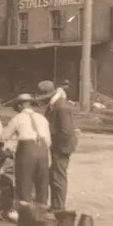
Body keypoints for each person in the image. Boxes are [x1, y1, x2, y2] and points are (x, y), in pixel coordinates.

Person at [1, 93, 51, 206]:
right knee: (42, 184)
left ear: (19, 106)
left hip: (27, 151)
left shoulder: (17, 118)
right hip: (43, 151)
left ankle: (25, 211)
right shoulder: (42, 118)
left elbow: (3, 137)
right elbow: (48, 141)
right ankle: (41, 212)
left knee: (24, 182)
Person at [38, 79, 79, 212]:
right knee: (54, 174)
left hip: (62, 146)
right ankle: (56, 205)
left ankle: (59, 207)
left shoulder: (60, 106)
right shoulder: (55, 104)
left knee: (58, 175)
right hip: (59, 145)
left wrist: (54, 145)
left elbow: (66, 131)